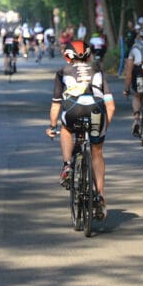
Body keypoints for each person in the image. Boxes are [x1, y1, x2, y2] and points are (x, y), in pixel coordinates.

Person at [46, 41, 115, 219]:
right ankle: (100, 197)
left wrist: (52, 127)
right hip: (96, 111)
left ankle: (67, 166)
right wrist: (102, 128)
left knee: (67, 128)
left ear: (67, 56)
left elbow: (55, 106)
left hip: (73, 110)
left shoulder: (63, 72)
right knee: (97, 152)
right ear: (88, 55)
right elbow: (111, 106)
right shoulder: (97, 69)